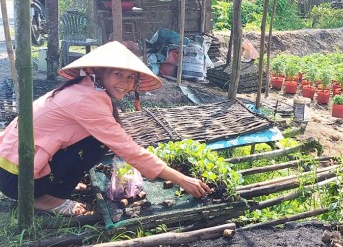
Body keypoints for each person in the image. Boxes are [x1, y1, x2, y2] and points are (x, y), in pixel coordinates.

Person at [0, 41, 211, 216]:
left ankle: (56, 187)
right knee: (98, 142)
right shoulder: (87, 99)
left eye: (130, 77)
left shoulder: (87, 87)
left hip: (12, 168)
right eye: (118, 74)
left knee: (94, 140)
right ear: (101, 73)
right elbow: (125, 147)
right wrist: (182, 179)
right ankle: (45, 199)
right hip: (19, 179)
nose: (125, 83)